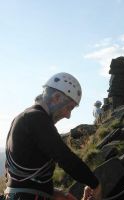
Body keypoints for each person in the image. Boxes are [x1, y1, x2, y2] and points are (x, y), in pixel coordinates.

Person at [4, 72, 102, 200]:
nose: (68, 115)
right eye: (69, 108)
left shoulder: (25, 118)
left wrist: (55, 192)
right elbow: (65, 158)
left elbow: (17, 174)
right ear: (56, 97)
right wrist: (95, 184)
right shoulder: (36, 118)